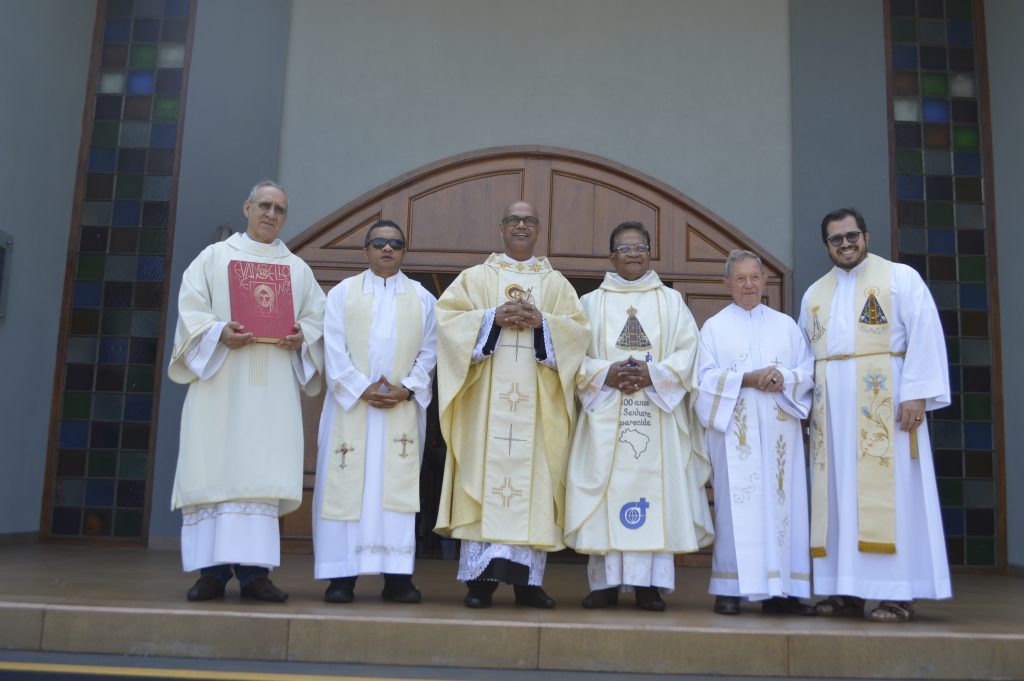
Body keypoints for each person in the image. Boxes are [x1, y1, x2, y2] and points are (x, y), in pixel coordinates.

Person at [169, 180, 325, 602]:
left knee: (261, 477)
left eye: (280, 209)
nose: (271, 214)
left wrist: (301, 336)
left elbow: (318, 320)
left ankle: (256, 575)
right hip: (220, 385)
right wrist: (219, 332)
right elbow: (190, 311)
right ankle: (211, 574)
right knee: (216, 471)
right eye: (264, 205)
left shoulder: (297, 269)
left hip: (271, 389)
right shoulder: (214, 258)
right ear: (246, 207)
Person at [434, 200, 590, 609]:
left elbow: (578, 334)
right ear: (501, 227)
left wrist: (544, 325)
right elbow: (446, 323)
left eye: (529, 221)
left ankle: (527, 583)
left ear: (538, 231)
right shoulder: (474, 278)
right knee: (487, 481)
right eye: (514, 220)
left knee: (533, 483)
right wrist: (491, 318)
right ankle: (480, 583)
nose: (521, 226)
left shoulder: (556, 285)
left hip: (537, 410)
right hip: (485, 406)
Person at [799, 207, 951, 622]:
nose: (846, 244)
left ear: (866, 236)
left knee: (893, 496)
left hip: (887, 409)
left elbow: (924, 333)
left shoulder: (900, 279)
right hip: (831, 416)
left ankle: (896, 593)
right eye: (836, 239)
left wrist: (917, 395)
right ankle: (844, 590)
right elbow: (802, 356)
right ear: (826, 245)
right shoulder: (814, 294)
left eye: (852, 236)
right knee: (839, 498)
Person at [565, 222, 713, 612]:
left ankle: (651, 587)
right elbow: (572, 355)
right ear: (611, 256)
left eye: (640, 246)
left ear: (650, 253)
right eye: (624, 247)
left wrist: (653, 375)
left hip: (656, 412)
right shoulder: (591, 303)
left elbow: (689, 352)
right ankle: (605, 585)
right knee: (605, 491)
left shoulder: (670, 301)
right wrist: (606, 374)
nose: (633, 253)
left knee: (655, 494)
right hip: (607, 411)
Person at [313, 220, 437, 604]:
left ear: (403, 252)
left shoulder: (422, 298)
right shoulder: (343, 293)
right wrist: (359, 387)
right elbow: (332, 347)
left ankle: (397, 578)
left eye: (395, 244)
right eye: (380, 243)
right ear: (365, 250)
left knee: (394, 493)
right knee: (345, 488)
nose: (388, 249)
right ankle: (341, 577)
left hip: (399, 411)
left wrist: (408, 388)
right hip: (352, 411)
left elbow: (430, 351)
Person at [696, 250, 815, 616]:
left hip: (781, 432)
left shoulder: (786, 326)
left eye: (754, 278)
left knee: (786, 507)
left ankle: (786, 590)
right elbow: (702, 381)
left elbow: (808, 371)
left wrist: (786, 378)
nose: (748, 285)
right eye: (740, 279)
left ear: (765, 282)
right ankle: (730, 588)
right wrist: (745, 379)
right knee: (737, 508)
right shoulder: (714, 328)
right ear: (726, 284)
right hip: (737, 435)